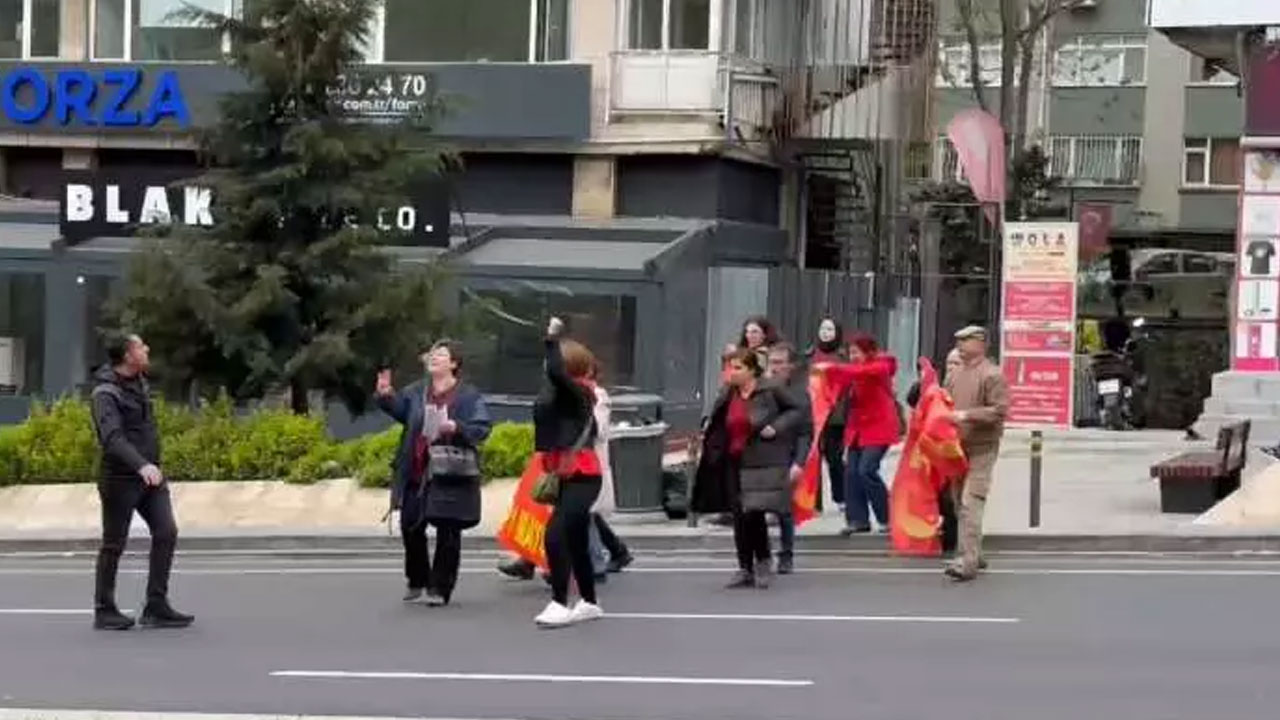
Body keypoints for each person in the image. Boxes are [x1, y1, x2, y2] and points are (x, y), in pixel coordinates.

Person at [90, 332, 192, 631]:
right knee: (113, 544)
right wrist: (141, 464)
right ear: (127, 355)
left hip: (151, 476)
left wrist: (152, 465)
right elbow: (112, 438)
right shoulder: (105, 394)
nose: (146, 349)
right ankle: (104, 609)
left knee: (166, 532)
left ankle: (156, 605)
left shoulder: (139, 383)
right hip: (120, 479)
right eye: (140, 346)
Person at [378, 340, 492, 607]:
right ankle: (417, 578)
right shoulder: (417, 391)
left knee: (448, 530)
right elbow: (403, 413)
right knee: (410, 523)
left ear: (454, 363)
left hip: (449, 470)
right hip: (417, 468)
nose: (435, 358)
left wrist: (457, 427)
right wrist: (386, 396)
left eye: (441, 355)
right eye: (432, 354)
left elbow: (482, 427)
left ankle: (440, 587)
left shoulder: (468, 395)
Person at [692, 348, 805, 589]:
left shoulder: (770, 389)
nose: (732, 372)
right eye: (730, 367)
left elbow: (796, 411)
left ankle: (763, 561)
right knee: (739, 514)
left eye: (738, 367)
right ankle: (745, 567)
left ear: (752, 370)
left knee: (754, 513)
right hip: (732, 460)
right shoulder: (728, 393)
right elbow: (718, 421)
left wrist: (776, 427)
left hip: (760, 460)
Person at [534, 316, 606, 627]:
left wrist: (551, 339)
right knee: (575, 538)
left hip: (583, 474)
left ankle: (560, 602)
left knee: (556, 534)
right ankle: (589, 601)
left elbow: (554, 372)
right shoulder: (560, 392)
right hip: (566, 471)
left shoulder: (579, 393)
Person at [944, 326, 1009, 582]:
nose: (960, 344)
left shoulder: (992, 375)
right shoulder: (955, 375)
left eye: (965, 340)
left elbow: (999, 411)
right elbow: (944, 402)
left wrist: (966, 415)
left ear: (981, 343)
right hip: (957, 447)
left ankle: (967, 562)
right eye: (958, 340)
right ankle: (975, 552)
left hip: (983, 447)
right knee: (959, 502)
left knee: (972, 501)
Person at [817, 333, 900, 535]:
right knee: (851, 473)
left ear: (868, 351)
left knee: (867, 470)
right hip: (856, 430)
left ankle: (889, 517)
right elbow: (839, 381)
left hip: (879, 427)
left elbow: (860, 372)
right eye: (850, 352)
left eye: (856, 352)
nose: (852, 356)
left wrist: (831, 367)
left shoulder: (881, 366)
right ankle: (858, 519)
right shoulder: (853, 371)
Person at [765, 342, 811, 575]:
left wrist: (799, 463)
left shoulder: (799, 396)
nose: (775, 368)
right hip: (759, 458)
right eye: (772, 362)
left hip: (785, 456)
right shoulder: (760, 389)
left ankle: (786, 554)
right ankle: (761, 556)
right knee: (755, 509)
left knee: (783, 509)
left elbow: (805, 433)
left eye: (780, 363)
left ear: (790, 366)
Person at [805, 317, 849, 511]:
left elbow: (848, 386)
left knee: (834, 458)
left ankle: (841, 497)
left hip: (834, 415)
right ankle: (814, 501)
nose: (825, 332)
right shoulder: (809, 355)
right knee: (812, 456)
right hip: (812, 413)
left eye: (830, 329)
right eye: (823, 328)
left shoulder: (843, 357)